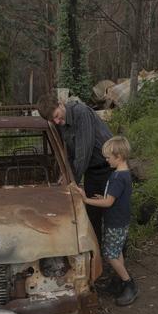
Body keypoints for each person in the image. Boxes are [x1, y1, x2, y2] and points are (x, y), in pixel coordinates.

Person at [37, 93, 112, 244]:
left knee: (112, 214)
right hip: (92, 171)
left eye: (57, 116)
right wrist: (66, 173)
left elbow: (83, 153)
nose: (57, 121)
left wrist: (72, 181)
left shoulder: (81, 113)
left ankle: (118, 258)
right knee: (93, 214)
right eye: (53, 120)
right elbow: (69, 154)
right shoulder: (58, 124)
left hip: (110, 169)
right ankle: (95, 257)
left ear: (61, 103)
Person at [76, 136, 138, 306]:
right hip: (120, 219)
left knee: (110, 255)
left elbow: (108, 202)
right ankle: (119, 281)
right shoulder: (123, 173)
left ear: (118, 157)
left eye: (108, 157)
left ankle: (129, 283)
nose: (106, 160)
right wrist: (102, 197)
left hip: (115, 222)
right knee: (116, 252)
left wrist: (86, 200)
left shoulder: (118, 177)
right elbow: (113, 198)